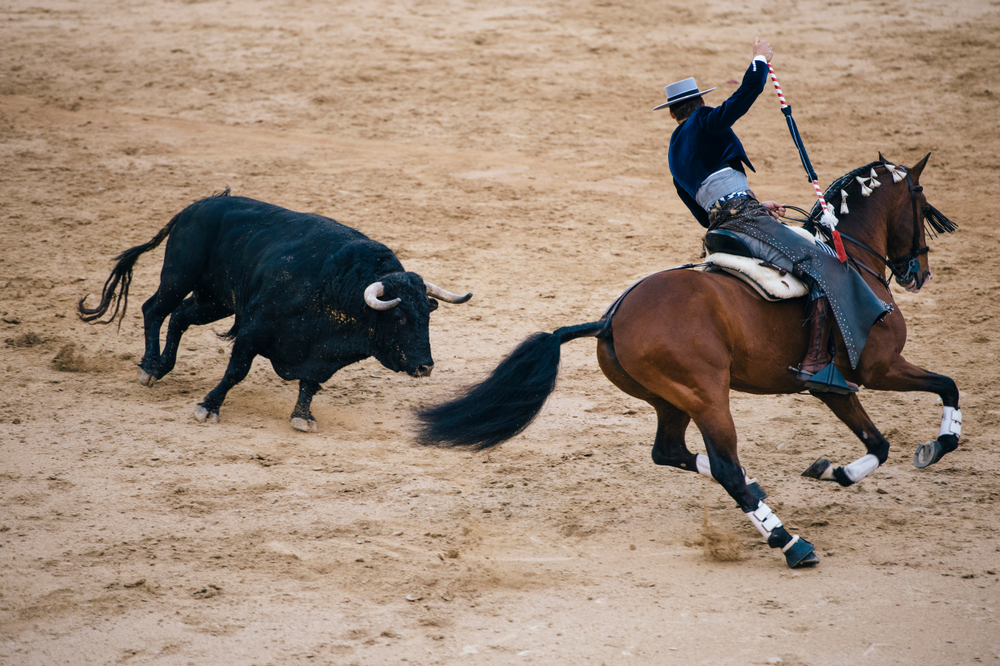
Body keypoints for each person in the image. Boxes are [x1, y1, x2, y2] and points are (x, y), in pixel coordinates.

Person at [656, 37, 890, 394]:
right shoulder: (704, 121)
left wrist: (754, 203)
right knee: (821, 260)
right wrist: (759, 62)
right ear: (699, 103)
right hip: (745, 220)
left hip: (722, 225)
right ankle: (815, 361)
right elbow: (739, 102)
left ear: (673, 112)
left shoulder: (674, 152)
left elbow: (703, 209)